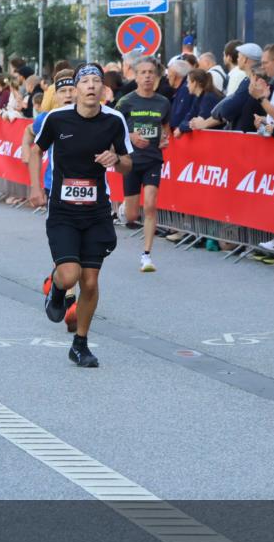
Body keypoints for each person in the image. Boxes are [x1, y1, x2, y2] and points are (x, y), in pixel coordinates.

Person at [28, 63, 132, 367]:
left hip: (97, 211)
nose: (90, 85)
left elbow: (127, 162)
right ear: (75, 89)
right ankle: (57, 290)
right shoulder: (57, 119)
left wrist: (116, 159)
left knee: (89, 281)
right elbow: (36, 151)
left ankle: (80, 343)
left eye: (95, 81)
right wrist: (36, 187)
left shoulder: (114, 121)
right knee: (70, 274)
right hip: (62, 210)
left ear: (103, 89)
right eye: (84, 81)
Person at [21, 70, 79, 332]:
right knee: (66, 244)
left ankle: (56, 281)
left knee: (78, 248)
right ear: (54, 98)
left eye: (71, 90)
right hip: (55, 188)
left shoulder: (94, 115)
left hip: (87, 193)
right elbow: (28, 132)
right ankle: (69, 300)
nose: (68, 95)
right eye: (62, 92)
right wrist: (27, 154)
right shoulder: (48, 118)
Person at [115, 56, 171, 272]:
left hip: (153, 161)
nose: (147, 76)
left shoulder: (163, 102)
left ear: (156, 77)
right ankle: (124, 209)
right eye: (143, 72)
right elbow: (114, 130)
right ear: (136, 76)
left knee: (150, 206)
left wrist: (164, 138)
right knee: (131, 216)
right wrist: (131, 136)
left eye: (151, 72)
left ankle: (146, 255)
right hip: (130, 162)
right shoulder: (126, 102)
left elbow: (165, 127)